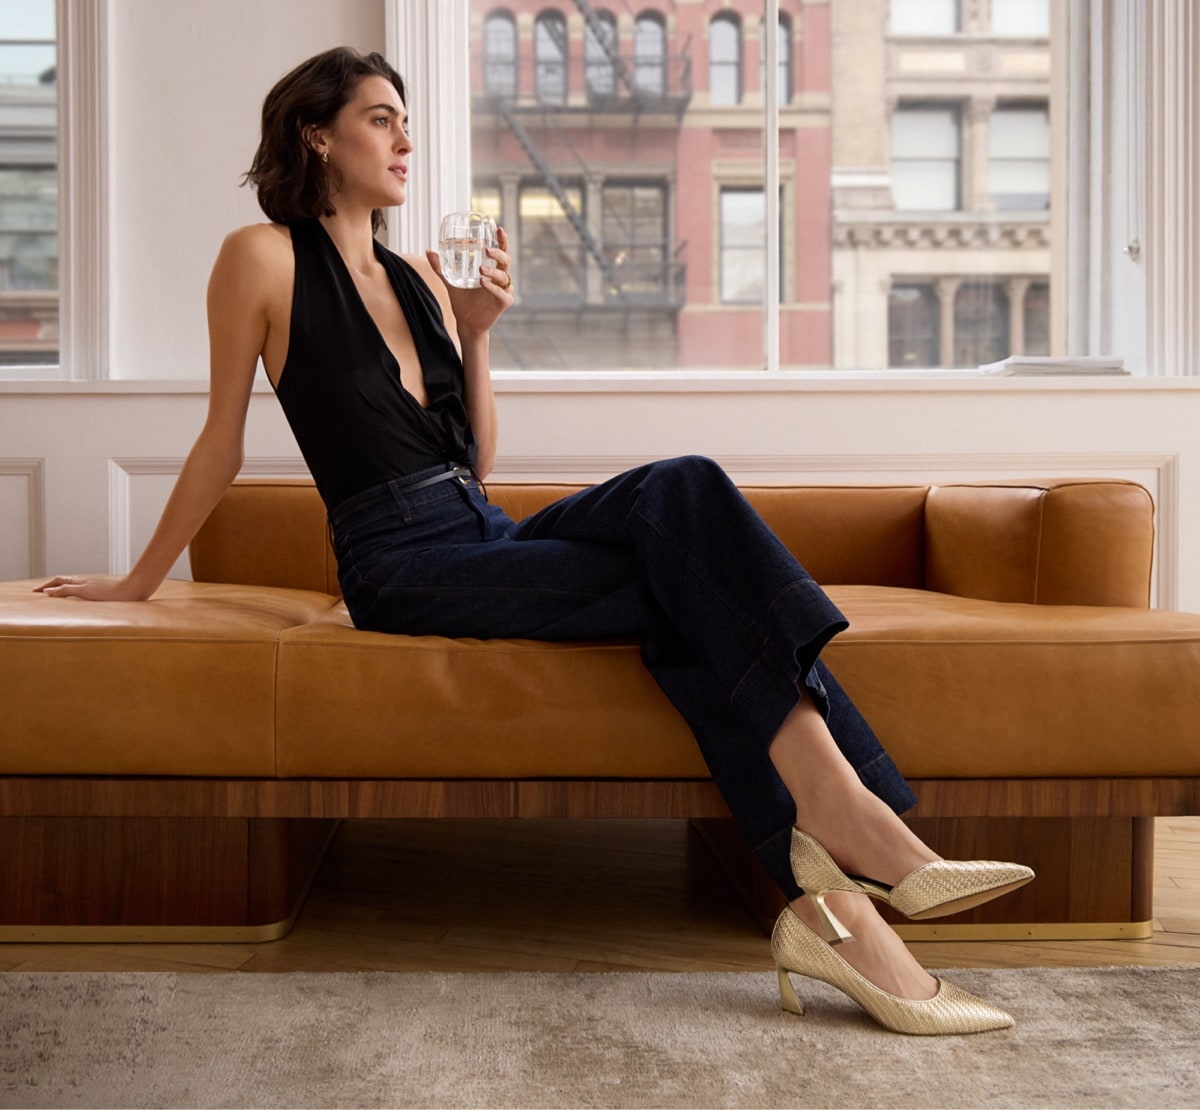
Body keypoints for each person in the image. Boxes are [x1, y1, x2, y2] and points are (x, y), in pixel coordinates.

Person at [37, 47, 1033, 1035]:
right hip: (399, 559)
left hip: (477, 527)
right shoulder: (259, 258)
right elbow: (221, 440)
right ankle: (855, 847)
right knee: (691, 595)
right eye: (381, 118)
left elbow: (473, 462)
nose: (405, 139)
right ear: (315, 132)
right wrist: (136, 579)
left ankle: (840, 887)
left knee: (685, 494)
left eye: (404, 119)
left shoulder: (422, 274)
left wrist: (476, 333)